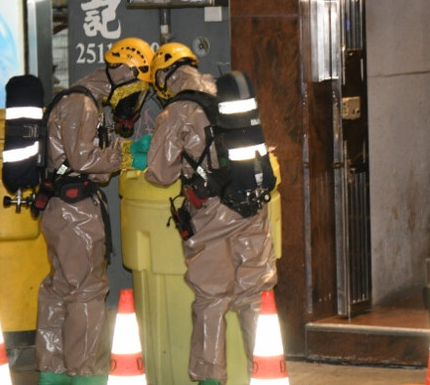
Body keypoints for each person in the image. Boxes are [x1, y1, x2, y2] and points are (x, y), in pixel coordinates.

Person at [144, 42, 277, 385]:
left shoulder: (176, 112)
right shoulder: (225, 94)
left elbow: (159, 173)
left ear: (163, 76)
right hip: (252, 207)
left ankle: (209, 380)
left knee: (212, 299)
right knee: (255, 296)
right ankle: (268, 374)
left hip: (212, 216)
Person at [35, 37, 153, 385]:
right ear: (124, 73)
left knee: (59, 290)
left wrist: (117, 152)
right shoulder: (82, 105)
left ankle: (53, 372)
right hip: (75, 214)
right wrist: (123, 156)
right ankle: (83, 375)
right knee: (86, 292)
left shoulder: (84, 102)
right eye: (136, 88)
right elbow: (83, 160)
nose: (133, 99)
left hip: (61, 209)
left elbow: (87, 163)